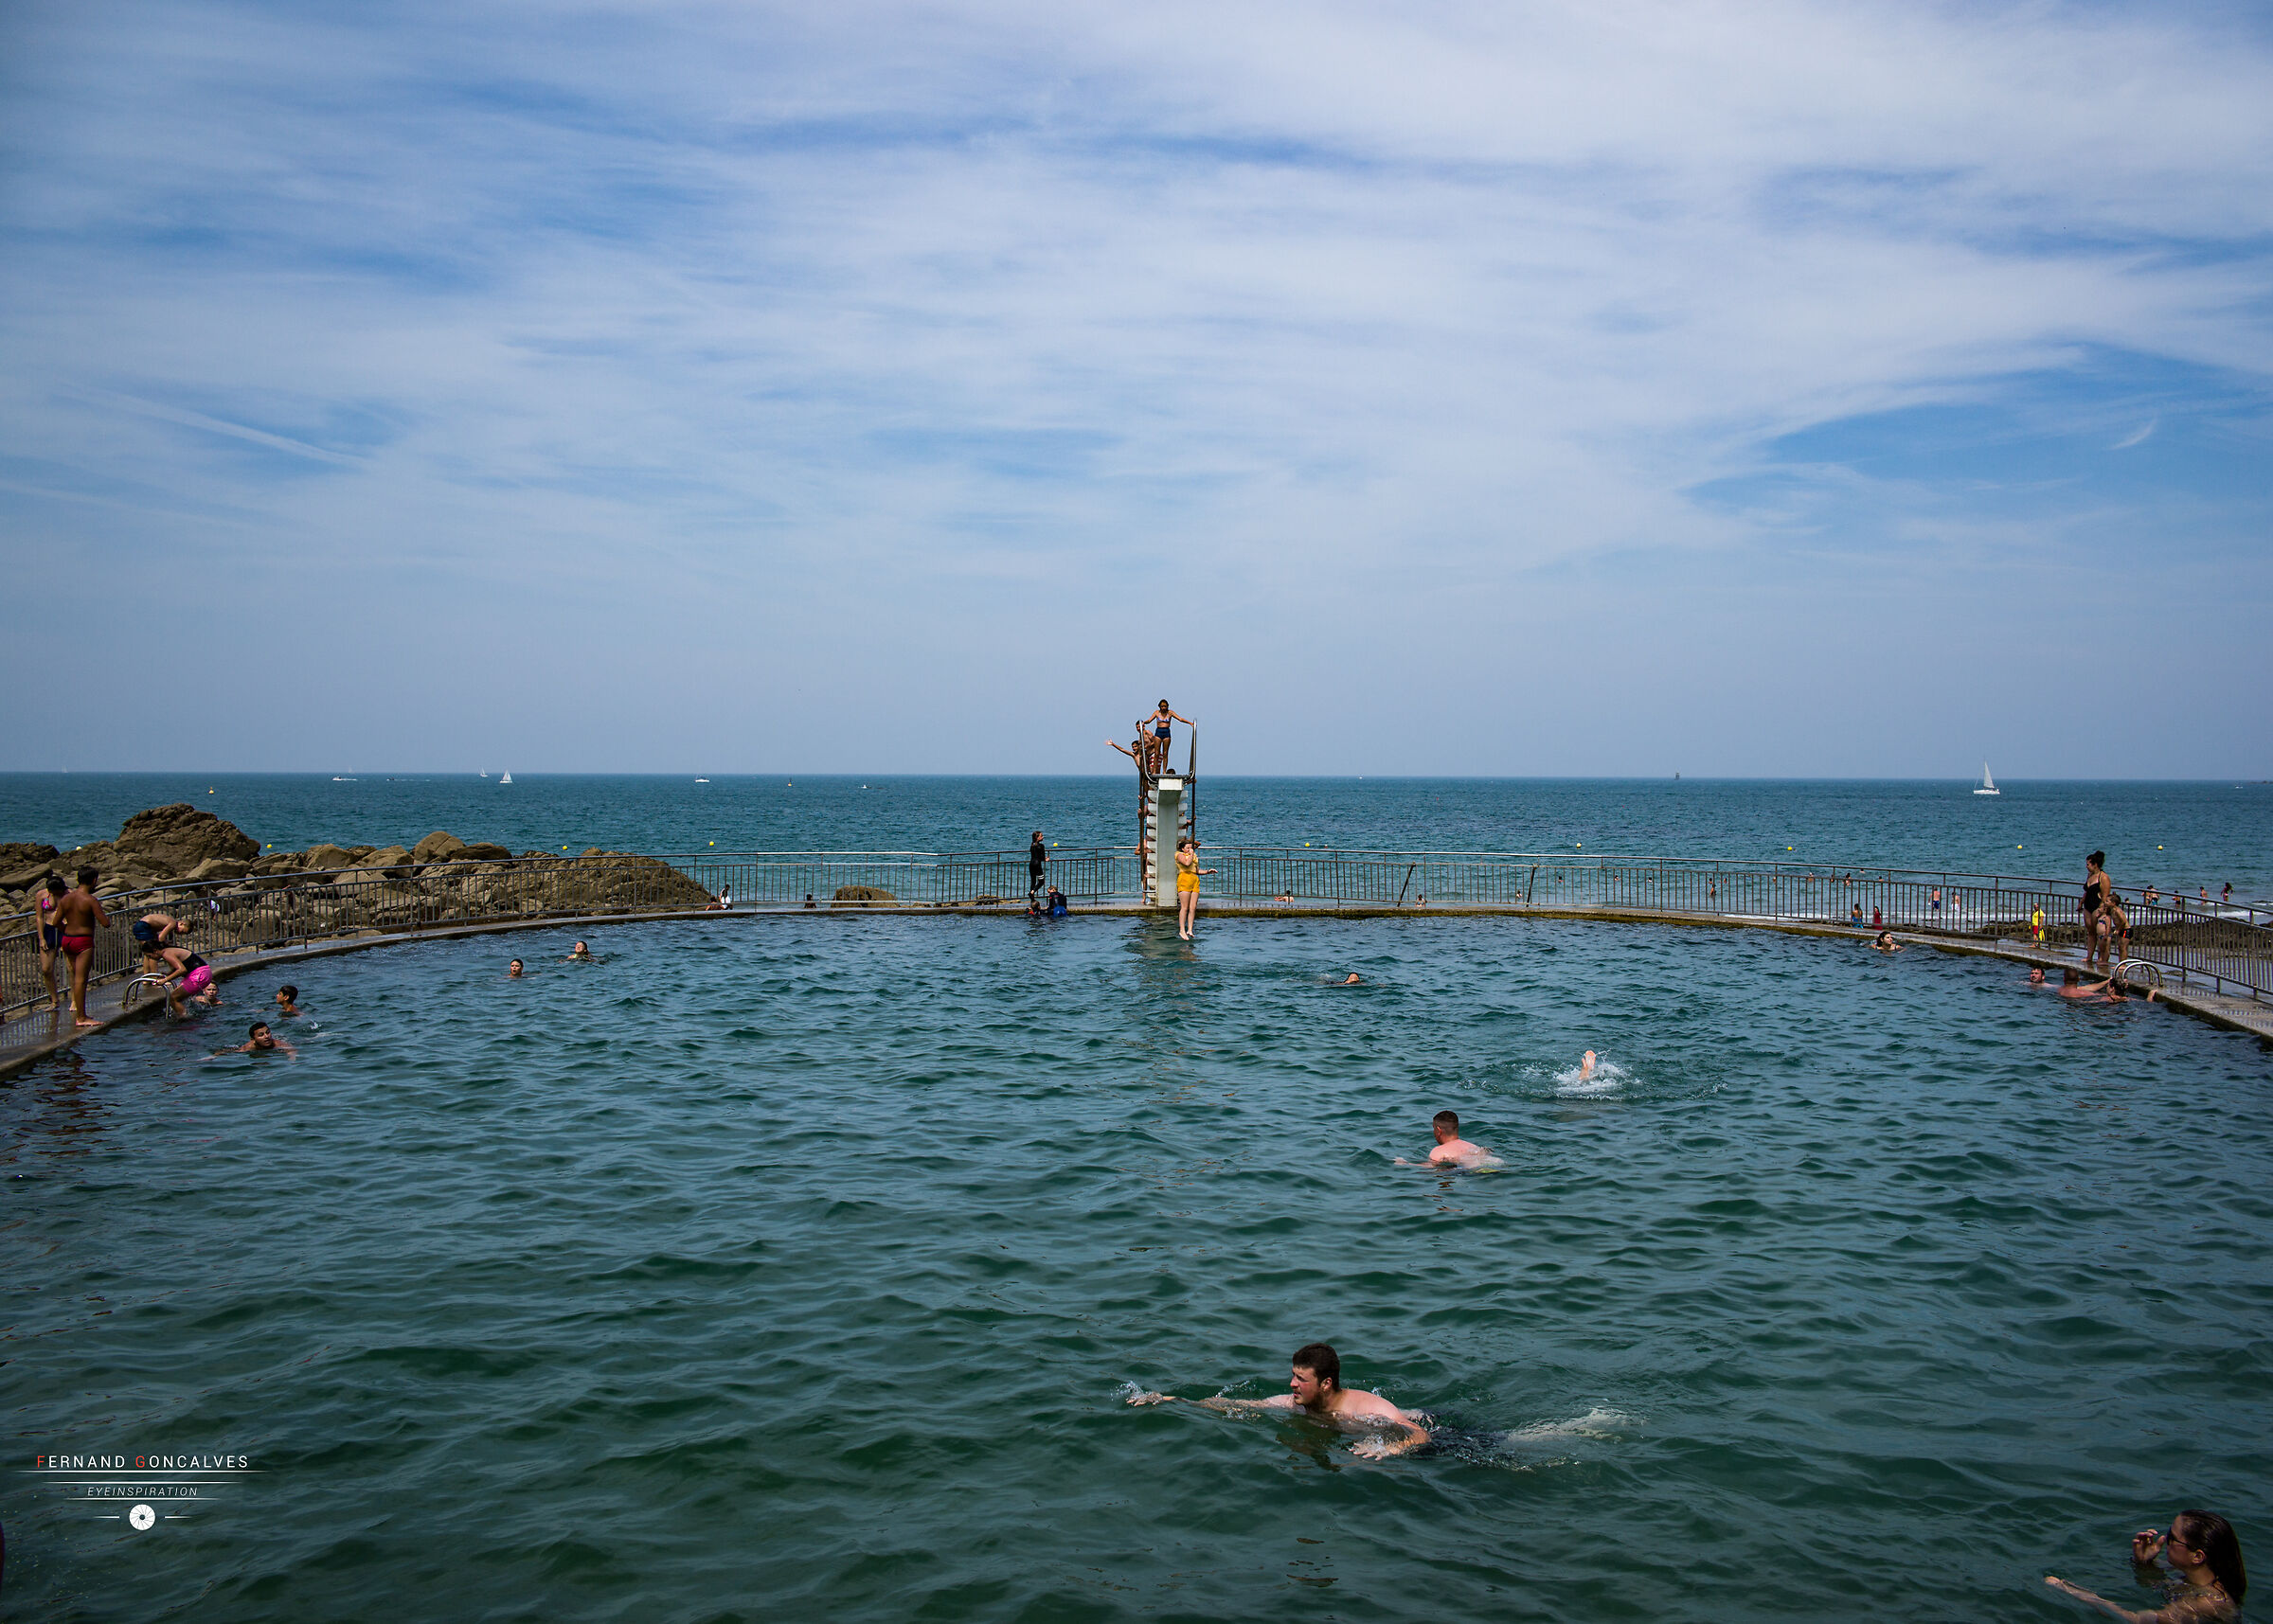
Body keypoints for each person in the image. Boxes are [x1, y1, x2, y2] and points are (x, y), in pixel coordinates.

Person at [1126, 1342, 1427, 1458]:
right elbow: (1238, 1406)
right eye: (1293, 1375)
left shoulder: (1366, 1408)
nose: (1292, 1384)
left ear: (1326, 1384)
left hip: (1437, 1435)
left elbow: (1420, 1435)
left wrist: (1389, 1447)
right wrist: (1173, 1399)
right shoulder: (1292, 1403)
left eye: (1301, 1379)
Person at [2046, 1509, 2246, 1622]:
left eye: (2173, 1538)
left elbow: (2134, 1621)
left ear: (2197, 1556)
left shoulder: (2208, 1603)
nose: (2165, 1539)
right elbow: (2155, 1584)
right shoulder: (2192, 1579)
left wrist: (2070, 1590)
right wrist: (2144, 1563)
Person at [56, 866, 110, 1028]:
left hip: (67, 939)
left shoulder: (65, 899)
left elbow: (55, 922)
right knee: (81, 980)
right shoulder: (90, 900)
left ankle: (80, 1013)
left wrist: (66, 930)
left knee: (74, 976)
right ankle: (81, 1016)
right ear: (94, 880)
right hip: (83, 941)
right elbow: (105, 923)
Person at [34, 874, 67, 1011]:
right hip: (48, 930)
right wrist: (41, 938)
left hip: (65, 929)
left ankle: (75, 1001)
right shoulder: (41, 895)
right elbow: (39, 916)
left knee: (71, 968)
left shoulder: (68, 894)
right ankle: (54, 1000)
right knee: (46, 969)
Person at [1174, 836, 1215, 941]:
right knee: (1185, 907)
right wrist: (1191, 853)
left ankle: (1190, 929)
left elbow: (1196, 870)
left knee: (1193, 907)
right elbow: (1187, 863)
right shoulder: (1179, 855)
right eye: (1188, 848)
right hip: (1184, 879)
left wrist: (1207, 871)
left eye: (1191, 848)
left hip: (1194, 879)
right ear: (1183, 848)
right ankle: (1182, 930)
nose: (1190, 850)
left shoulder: (1193, 856)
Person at [1140, 701, 1193, 776]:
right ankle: (1154, 771)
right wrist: (1143, 722)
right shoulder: (1156, 713)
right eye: (1162, 706)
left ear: (1167, 706)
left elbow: (1180, 719)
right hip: (1158, 732)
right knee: (1157, 753)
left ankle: (1164, 771)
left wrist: (1190, 723)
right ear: (1159, 706)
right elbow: (1149, 720)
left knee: (1165, 753)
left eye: (1165, 706)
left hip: (1166, 732)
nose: (1164, 708)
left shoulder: (1170, 713)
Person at [164, 948, 220, 1017]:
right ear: (204, 991)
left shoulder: (219, 1003)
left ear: (218, 991)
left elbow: (181, 970)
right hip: (201, 975)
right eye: (209, 989)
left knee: (173, 998)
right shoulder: (200, 999)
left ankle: (184, 1017)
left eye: (214, 990)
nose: (211, 992)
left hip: (199, 975)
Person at [1422, 1110, 1487, 1169]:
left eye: (1434, 1128)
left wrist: (1411, 1165)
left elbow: (1430, 1168)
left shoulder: (1438, 1151)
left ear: (1438, 1131)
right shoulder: (1473, 1146)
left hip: (1470, 1174)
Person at [221, 1022, 297, 1059]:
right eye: (261, 1035)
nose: (266, 1036)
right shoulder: (248, 1047)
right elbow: (227, 1051)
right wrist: (213, 1056)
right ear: (253, 1040)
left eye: (268, 1032)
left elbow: (292, 1049)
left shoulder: (277, 1044)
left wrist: (292, 1059)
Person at [1029, 830, 1047, 905]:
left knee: (1033, 882)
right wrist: (1046, 859)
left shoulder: (1032, 845)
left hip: (1031, 864)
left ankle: (1032, 900)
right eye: (1041, 836)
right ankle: (1032, 892)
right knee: (1041, 881)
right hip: (1037, 865)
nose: (1043, 837)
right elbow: (1041, 857)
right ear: (1037, 838)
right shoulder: (1041, 846)